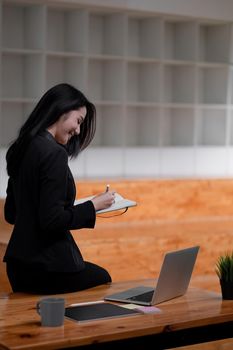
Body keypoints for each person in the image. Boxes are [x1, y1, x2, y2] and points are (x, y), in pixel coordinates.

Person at [3, 83, 115, 294]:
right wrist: (94, 206)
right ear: (62, 109)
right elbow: (51, 220)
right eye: (78, 121)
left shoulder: (21, 147)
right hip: (47, 267)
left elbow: (11, 213)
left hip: (17, 266)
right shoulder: (54, 153)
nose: (78, 130)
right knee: (103, 278)